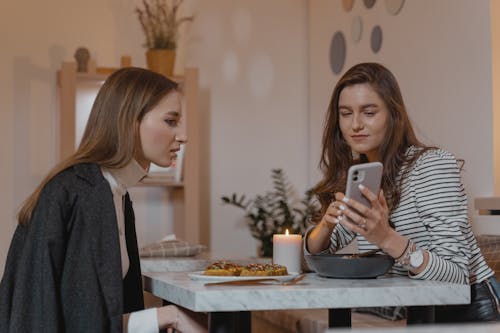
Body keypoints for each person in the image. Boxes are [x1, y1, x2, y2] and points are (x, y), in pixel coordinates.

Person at [0, 67, 207, 332]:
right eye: (171, 121)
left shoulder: (115, 194)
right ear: (130, 120)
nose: (183, 135)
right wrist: (168, 316)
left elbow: (92, 320)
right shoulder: (78, 195)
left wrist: (166, 316)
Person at [305, 62, 500, 322]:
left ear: (393, 115)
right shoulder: (364, 176)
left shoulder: (432, 165)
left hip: (471, 311)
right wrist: (326, 227)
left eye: (369, 112)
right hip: (420, 308)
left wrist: (385, 237)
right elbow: (318, 253)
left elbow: (457, 273)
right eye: (345, 113)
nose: (355, 124)